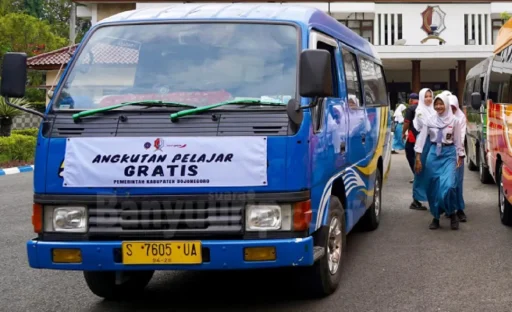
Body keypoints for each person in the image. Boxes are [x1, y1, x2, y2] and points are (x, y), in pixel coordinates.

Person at [414, 93, 465, 230]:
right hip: (433, 155)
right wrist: (418, 157)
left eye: (441, 103)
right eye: (436, 104)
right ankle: (435, 217)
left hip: (449, 154)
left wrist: (460, 155)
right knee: (433, 188)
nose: (438, 106)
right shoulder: (429, 120)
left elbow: (458, 140)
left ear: (447, 105)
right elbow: (422, 138)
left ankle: (452, 212)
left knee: (448, 186)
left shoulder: (455, 121)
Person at [408, 88, 435, 211]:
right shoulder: (420, 110)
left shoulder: (433, 108)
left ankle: (430, 196)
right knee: (420, 169)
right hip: (423, 142)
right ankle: (416, 199)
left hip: (433, 141)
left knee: (432, 169)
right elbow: (427, 125)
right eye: (426, 96)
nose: (429, 98)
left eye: (430, 96)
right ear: (421, 98)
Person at [448, 94, 467, 222]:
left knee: (457, 183)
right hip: (445, 154)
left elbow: (460, 136)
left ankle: (459, 209)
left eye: (454, 107)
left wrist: (459, 154)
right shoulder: (440, 117)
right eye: (449, 107)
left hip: (457, 153)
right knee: (448, 184)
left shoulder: (461, 118)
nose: (452, 110)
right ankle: (449, 208)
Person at [402, 93, 420, 183]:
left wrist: (403, 132)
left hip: (413, 134)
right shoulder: (423, 107)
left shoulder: (410, 108)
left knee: (409, 152)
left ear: (410, 100)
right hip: (423, 135)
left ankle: (417, 174)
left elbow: (406, 122)